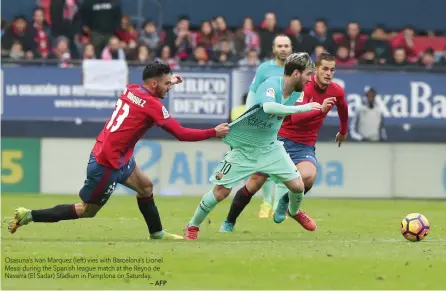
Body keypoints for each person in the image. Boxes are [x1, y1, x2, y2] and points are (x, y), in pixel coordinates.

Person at [8, 61, 230, 240]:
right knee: (87, 211)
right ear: (154, 84)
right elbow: (181, 134)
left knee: (145, 186)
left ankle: (157, 233)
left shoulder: (132, 89)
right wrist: (213, 131)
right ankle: (28, 215)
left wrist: (170, 80)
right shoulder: (153, 106)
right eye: (166, 85)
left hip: (118, 156)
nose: (168, 88)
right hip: (106, 164)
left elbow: (151, 91)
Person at [183, 53, 336, 240]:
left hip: (271, 147)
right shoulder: (271, 85)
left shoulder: (297, 92)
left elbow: (287, 115)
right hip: (246, 148)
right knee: (221, 192)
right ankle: (193, 226)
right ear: (296, 73)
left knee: (297, 186)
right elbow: (269, 108)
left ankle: (294, 212)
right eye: (308, 74)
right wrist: (304, 107)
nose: (310, 79)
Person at [220, 53, 349, 232]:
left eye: (332, 70)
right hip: (280, 139)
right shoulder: (302, 88)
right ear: (315, 71)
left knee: (308, 177)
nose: (329, 73)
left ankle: (286, 204)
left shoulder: (336, 90)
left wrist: (343, 131)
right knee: (255, 181)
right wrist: (320, 110)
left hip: (304, 145)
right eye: (325, 69)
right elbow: (296, 119)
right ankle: (229, 221)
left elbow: (343, 107)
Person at [245, 34, 293, 217]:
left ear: (291, 48)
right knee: (263, 165)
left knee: (283, 166)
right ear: (274, 49)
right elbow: (253, 92)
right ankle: (266, 202)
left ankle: (278, 206)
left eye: (286, 45)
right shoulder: (264, 69)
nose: (283, 49)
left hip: (287, 124)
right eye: (279, 45)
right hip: (265, 123)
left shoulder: (296, 69)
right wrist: (249, 114)